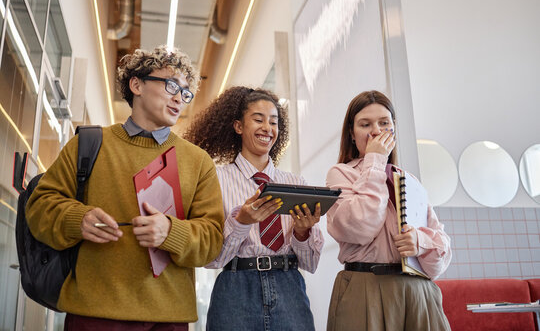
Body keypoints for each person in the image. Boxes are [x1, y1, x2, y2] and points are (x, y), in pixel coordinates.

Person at [25, 45, 224, 330]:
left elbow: (212, 240)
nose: (180, 97)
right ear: (137, 84)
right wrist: (77, 219)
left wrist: (172, 232)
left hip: (168, 319)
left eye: (186, 92)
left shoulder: (198, 161)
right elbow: (39, 208)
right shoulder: (88, 145)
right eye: (171, 85)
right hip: (92, 313)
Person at [184, 86, 324, 331]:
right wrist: (242, 222)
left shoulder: (295, 184)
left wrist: (302, 233)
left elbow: (310, 263)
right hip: (235, 289)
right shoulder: (215, 180)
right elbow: (213, 260)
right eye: (258, 119)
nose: (267, 128)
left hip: (289, 286)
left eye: (273, 122)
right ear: (238, 126)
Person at [325, 90, 452, 331]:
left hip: (417, 291)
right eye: (365, 124)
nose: (376, 131)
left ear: (394, 129)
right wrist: (374, 160)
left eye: (384, 123)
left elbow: (441, 253)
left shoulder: (409, 180)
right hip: (366, 288)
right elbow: (360, 227)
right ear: (352, 134)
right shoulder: (341, 173)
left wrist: (420, 242)